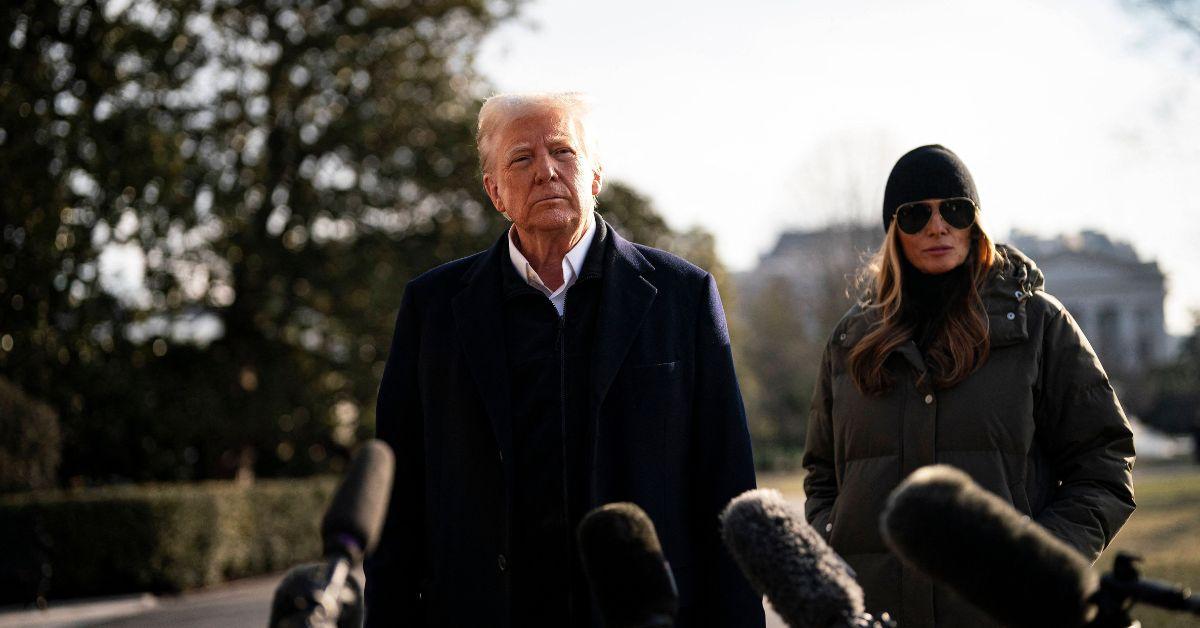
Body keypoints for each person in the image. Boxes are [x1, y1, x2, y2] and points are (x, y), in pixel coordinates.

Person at [364, 92, 764, 628]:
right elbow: (398, 490)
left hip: (643, 613)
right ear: (494, 190)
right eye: (521, 158)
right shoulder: (432, 308)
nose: (547, 171)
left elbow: (727, 481)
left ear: (595, 175)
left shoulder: (682, 296)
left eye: (563, 152)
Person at [802, 145, 1136, 627]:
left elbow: (1104, 465)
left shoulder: (1039, 324)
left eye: (954, 210)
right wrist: (835, 542)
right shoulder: (849, 341)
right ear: (895, 230)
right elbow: (822, 475)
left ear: (975, 221)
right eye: (917, 214)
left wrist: (1040, 563)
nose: (938, 226)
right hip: (875, 615)